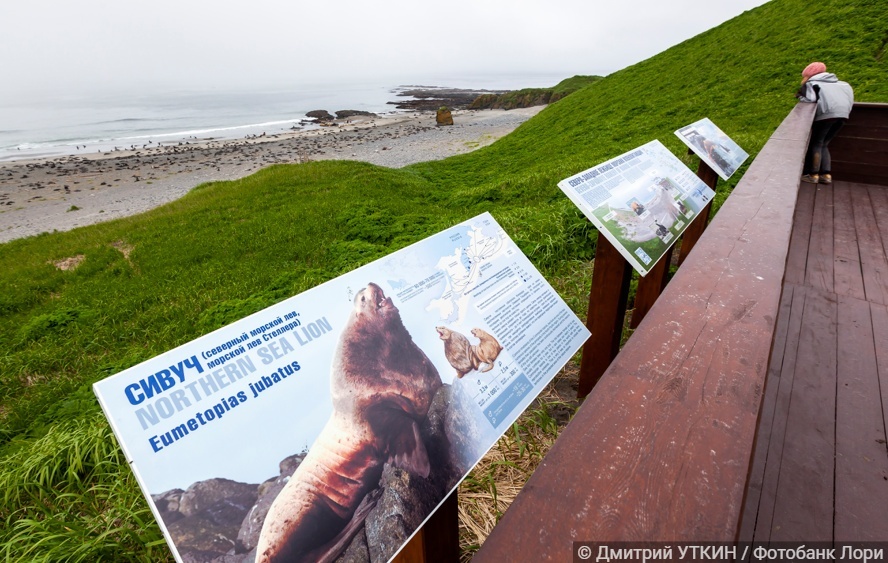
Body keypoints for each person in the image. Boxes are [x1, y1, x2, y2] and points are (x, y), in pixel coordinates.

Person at [795, 61, 854, 184]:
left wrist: (800, 96)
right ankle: (826, 175)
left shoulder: (812, 83)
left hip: (826, 115)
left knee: (816, 143)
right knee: (824, 143)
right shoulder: (843, 84)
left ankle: (813, 175)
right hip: (843, 115)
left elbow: (810, 99)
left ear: (809, 75)